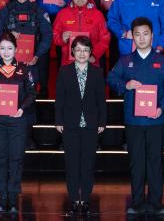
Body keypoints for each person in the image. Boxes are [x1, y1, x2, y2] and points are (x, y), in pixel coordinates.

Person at [108, 17, 164, 218]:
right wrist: (125, 85)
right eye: (137, 34)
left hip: (156, 120)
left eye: (145, 34)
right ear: (132, 36)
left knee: (155, 162)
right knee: (136, 162)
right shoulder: (125, 61)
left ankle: (156, 202)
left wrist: (162, 107)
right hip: (133, 121)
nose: (141, 38)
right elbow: (111, 78)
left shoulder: (163, 62)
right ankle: (137, 202)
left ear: (152, 35)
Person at [0, 33, 37, 214]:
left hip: (17, 120)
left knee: (16, 159)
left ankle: (13, 198)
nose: (6, 52)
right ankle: (2, 197)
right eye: (2, 48)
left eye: (10, 48)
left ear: (16, 49)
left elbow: (32, 93)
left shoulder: (24, 69)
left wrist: (22, 108)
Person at [55, 35, 107, 216]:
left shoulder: (97, 72)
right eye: (78, 50)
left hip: (91, 124)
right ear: (72, 52)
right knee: (71, 164)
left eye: (85, 50)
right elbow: (59, 99)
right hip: (70, 124)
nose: (82, 53)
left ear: (90, 52)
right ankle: (73, 200)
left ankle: (85, 200)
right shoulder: (64, 71)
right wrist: (58, 120)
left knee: (88, 164)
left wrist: (102, 121)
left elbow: (101, 100)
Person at [0, 0, 54, 104]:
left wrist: (37, 55)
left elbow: (48, 36)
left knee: (31, 97)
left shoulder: (39, 11)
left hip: (32, 61)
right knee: (9, 98)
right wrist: (8, 35)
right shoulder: (5, 10)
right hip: (9, 63)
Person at [52, 0, 110, 67]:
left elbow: (105, 38)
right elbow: (54, 35)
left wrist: (94, 55)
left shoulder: (98, 15)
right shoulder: (62, 14)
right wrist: (61, 38)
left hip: (91, 63)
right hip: (68, 63)